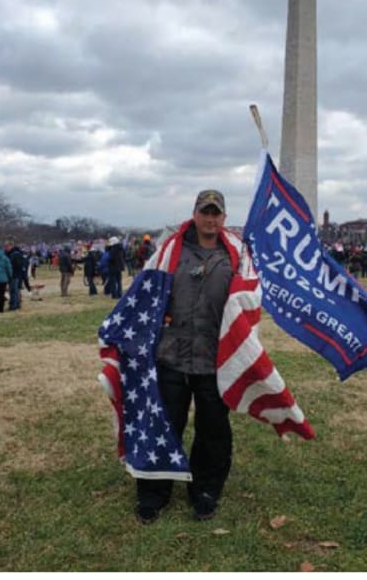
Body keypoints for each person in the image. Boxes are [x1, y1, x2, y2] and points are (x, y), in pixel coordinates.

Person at [135, 189, 236, 524]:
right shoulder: (169, 252)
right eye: (204, 212)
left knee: (213, 429)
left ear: (223, 218)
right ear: (194, 214)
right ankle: (153, 492)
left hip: (214, 357)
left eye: (215, 213)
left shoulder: (236, 256)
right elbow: (146, 295)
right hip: (172, 355)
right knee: (164, 425)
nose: (210, 218)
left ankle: (205, 490)